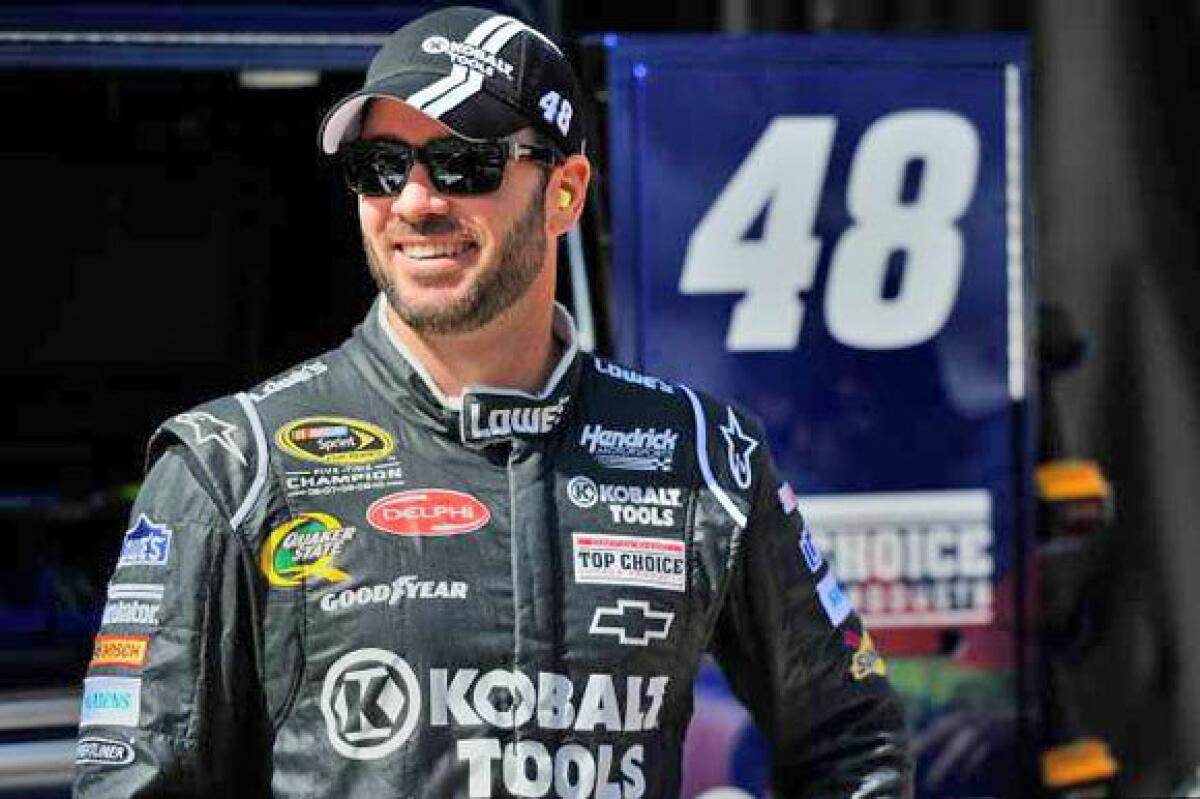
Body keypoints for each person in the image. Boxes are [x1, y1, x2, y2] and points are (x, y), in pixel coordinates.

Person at [74, 6, 912, 797]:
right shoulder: (235, 463)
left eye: (462, 162)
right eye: (382, 167)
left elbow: (854, 741)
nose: (415, 201)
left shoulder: (704, 454)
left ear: (565, 192)